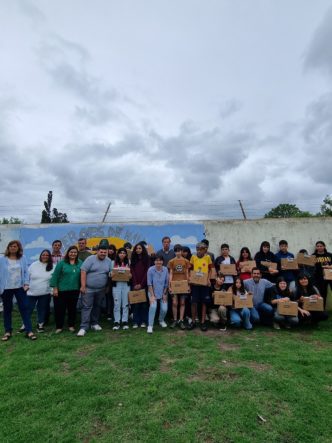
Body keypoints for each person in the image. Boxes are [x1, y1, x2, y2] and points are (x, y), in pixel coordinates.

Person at [0, 240, 36, 341]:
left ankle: (29, 331)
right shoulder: (2, 259)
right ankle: (8, 331)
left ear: (18, 248)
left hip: (20, 288)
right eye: (11, 246)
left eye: (15, 246)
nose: (13, 248)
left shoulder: (22, 258)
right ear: (8, 248)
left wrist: (26, 284)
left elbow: (26, 272)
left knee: (24, 308)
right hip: (6, 288)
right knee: (7, 310)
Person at [77, 239, 113, 337]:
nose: (103, 254)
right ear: (97, 251)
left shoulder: (109, 261)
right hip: (88, 288)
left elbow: (110, 274)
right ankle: (83, 327)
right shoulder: (90, 259)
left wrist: (107, 286)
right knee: (87, 307)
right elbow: (83, 271)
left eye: (104, 252)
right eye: (101, 252)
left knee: (97, 307)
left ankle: (94, 323)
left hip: (101, 289)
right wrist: (83, 286)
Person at [50, 245, 82, 333]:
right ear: (68, 253)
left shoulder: (80, 263)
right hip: (61, 291)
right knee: (60, 310)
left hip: (74, 290)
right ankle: (59, 327)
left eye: (75, 252)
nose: (73, 254)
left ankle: (71, 325)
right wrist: (55, 288)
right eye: (71, 252)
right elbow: (55, 276)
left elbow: (83, 275)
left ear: (77, 254)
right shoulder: (62, 263)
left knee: (72, 309)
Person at [26, 249, 54, 332]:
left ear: (49, 257)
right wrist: (26, 285)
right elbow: (27, 276)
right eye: (43, 255)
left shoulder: (53, 266)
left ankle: (40, 325)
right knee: (29, 309)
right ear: (40, 255)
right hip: (31, 292)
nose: (45, 256)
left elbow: (54, 279)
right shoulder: (33, 265)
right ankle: (25, 325)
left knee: (42, 309)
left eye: (47, 255)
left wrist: (52, 290)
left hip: (45, 292)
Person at [187, 242, 212, 331]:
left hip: (204, 284)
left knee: (204, 303)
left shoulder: (208, 257)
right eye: (200, 249)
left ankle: (203, 322)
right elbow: (190, 270)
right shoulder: (193, 257)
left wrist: (208, 279)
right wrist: (190, 279)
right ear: (197, 249)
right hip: (195, 284)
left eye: (204, 249)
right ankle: (193, 322)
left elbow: (210, 270)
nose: (203, 251)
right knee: (194, 303)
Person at [168, 245, 190, 330]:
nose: (178, 252)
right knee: (174, 303)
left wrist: (188, 285)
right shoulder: (171, 261)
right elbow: (171, 273)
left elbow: (187, 273)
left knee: (182, 303)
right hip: (174, 285)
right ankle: (175, 320)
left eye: (179, 251)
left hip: (184, 284)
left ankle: (181, 320)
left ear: (181, 251)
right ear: (175, 252)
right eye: (176, 251)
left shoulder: (186, 261)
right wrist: (169, 285)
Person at [147, 255, 169, 333]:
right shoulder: (150, 270)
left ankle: (161, 320)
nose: (158, 262)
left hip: (163, 292)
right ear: (154, 261)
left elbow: (166, 284)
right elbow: (149, 284)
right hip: (152, 291)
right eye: (156, 260)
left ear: (162, 262)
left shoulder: (166, 269)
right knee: (153, 306)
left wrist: (164, 294)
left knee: (164, 308)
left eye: (160, 260)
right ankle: (150, 325)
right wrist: (152, 296)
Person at [130, 242, 150, 328]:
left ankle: (143, 321)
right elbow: (132, 272)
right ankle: (135, 321)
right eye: (136, 248)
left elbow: (147, 272)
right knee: (135, 303)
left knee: (144, 304)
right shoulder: (133, 259)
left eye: (140, 248)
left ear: (143, 249)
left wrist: (141, 284)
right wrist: (135, 284)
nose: (138, 250)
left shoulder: (147, 259)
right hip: (134, 285)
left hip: (144, 285)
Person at [111, 247, 131, 330]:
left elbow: (131, 274)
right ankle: (117, 321)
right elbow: (109, 272)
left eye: (124, 253)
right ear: (117, 254)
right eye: (120, 253)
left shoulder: (128, 262)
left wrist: (130, 276)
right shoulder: (113, 262)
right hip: (116, 285)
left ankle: (125, 321)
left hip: (126, 285)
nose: (122, 254)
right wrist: (110, 274)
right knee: (116, 303)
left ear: (126, 254)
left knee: (125, 304)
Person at [313, 240, 332, 308]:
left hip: (330, 276)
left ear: (324, 246)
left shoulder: (329, 255)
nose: (319, 247)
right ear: (316, 247)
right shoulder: (313, 256)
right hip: (319, 277)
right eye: (318, 246)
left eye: (321, 246)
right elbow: (310, 266)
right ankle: (322, 309)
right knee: (323, 293)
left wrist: (328, 266)